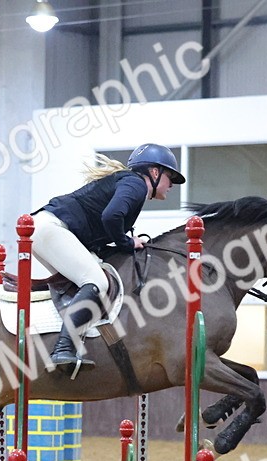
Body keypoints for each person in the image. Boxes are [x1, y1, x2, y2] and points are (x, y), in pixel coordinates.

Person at [32, 143, 186, 371]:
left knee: (85, 282)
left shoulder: (130, 184)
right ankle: (63, 349)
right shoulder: (136, 184)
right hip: (51, 228)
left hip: (46, 229)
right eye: (170, 177)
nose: (172, 184)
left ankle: (67, 342)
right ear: (155, 172)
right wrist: (127, 242)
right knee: (97, 282)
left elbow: (106, 222)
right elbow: (111, 216)